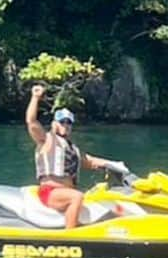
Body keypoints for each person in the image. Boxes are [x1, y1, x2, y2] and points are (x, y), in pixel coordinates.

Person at [25, 82, 115, 229]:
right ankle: (70, 235)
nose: (66, 126)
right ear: (54, 124)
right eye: (62, 122)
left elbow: (90, 161)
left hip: (65, 193)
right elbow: (31, 122)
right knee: (77, 197)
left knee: (96, 195)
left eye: (69, 123)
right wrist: (35, 97)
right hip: (50, 193)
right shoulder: (46, 140)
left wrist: (114, 164)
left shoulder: (73, 149)